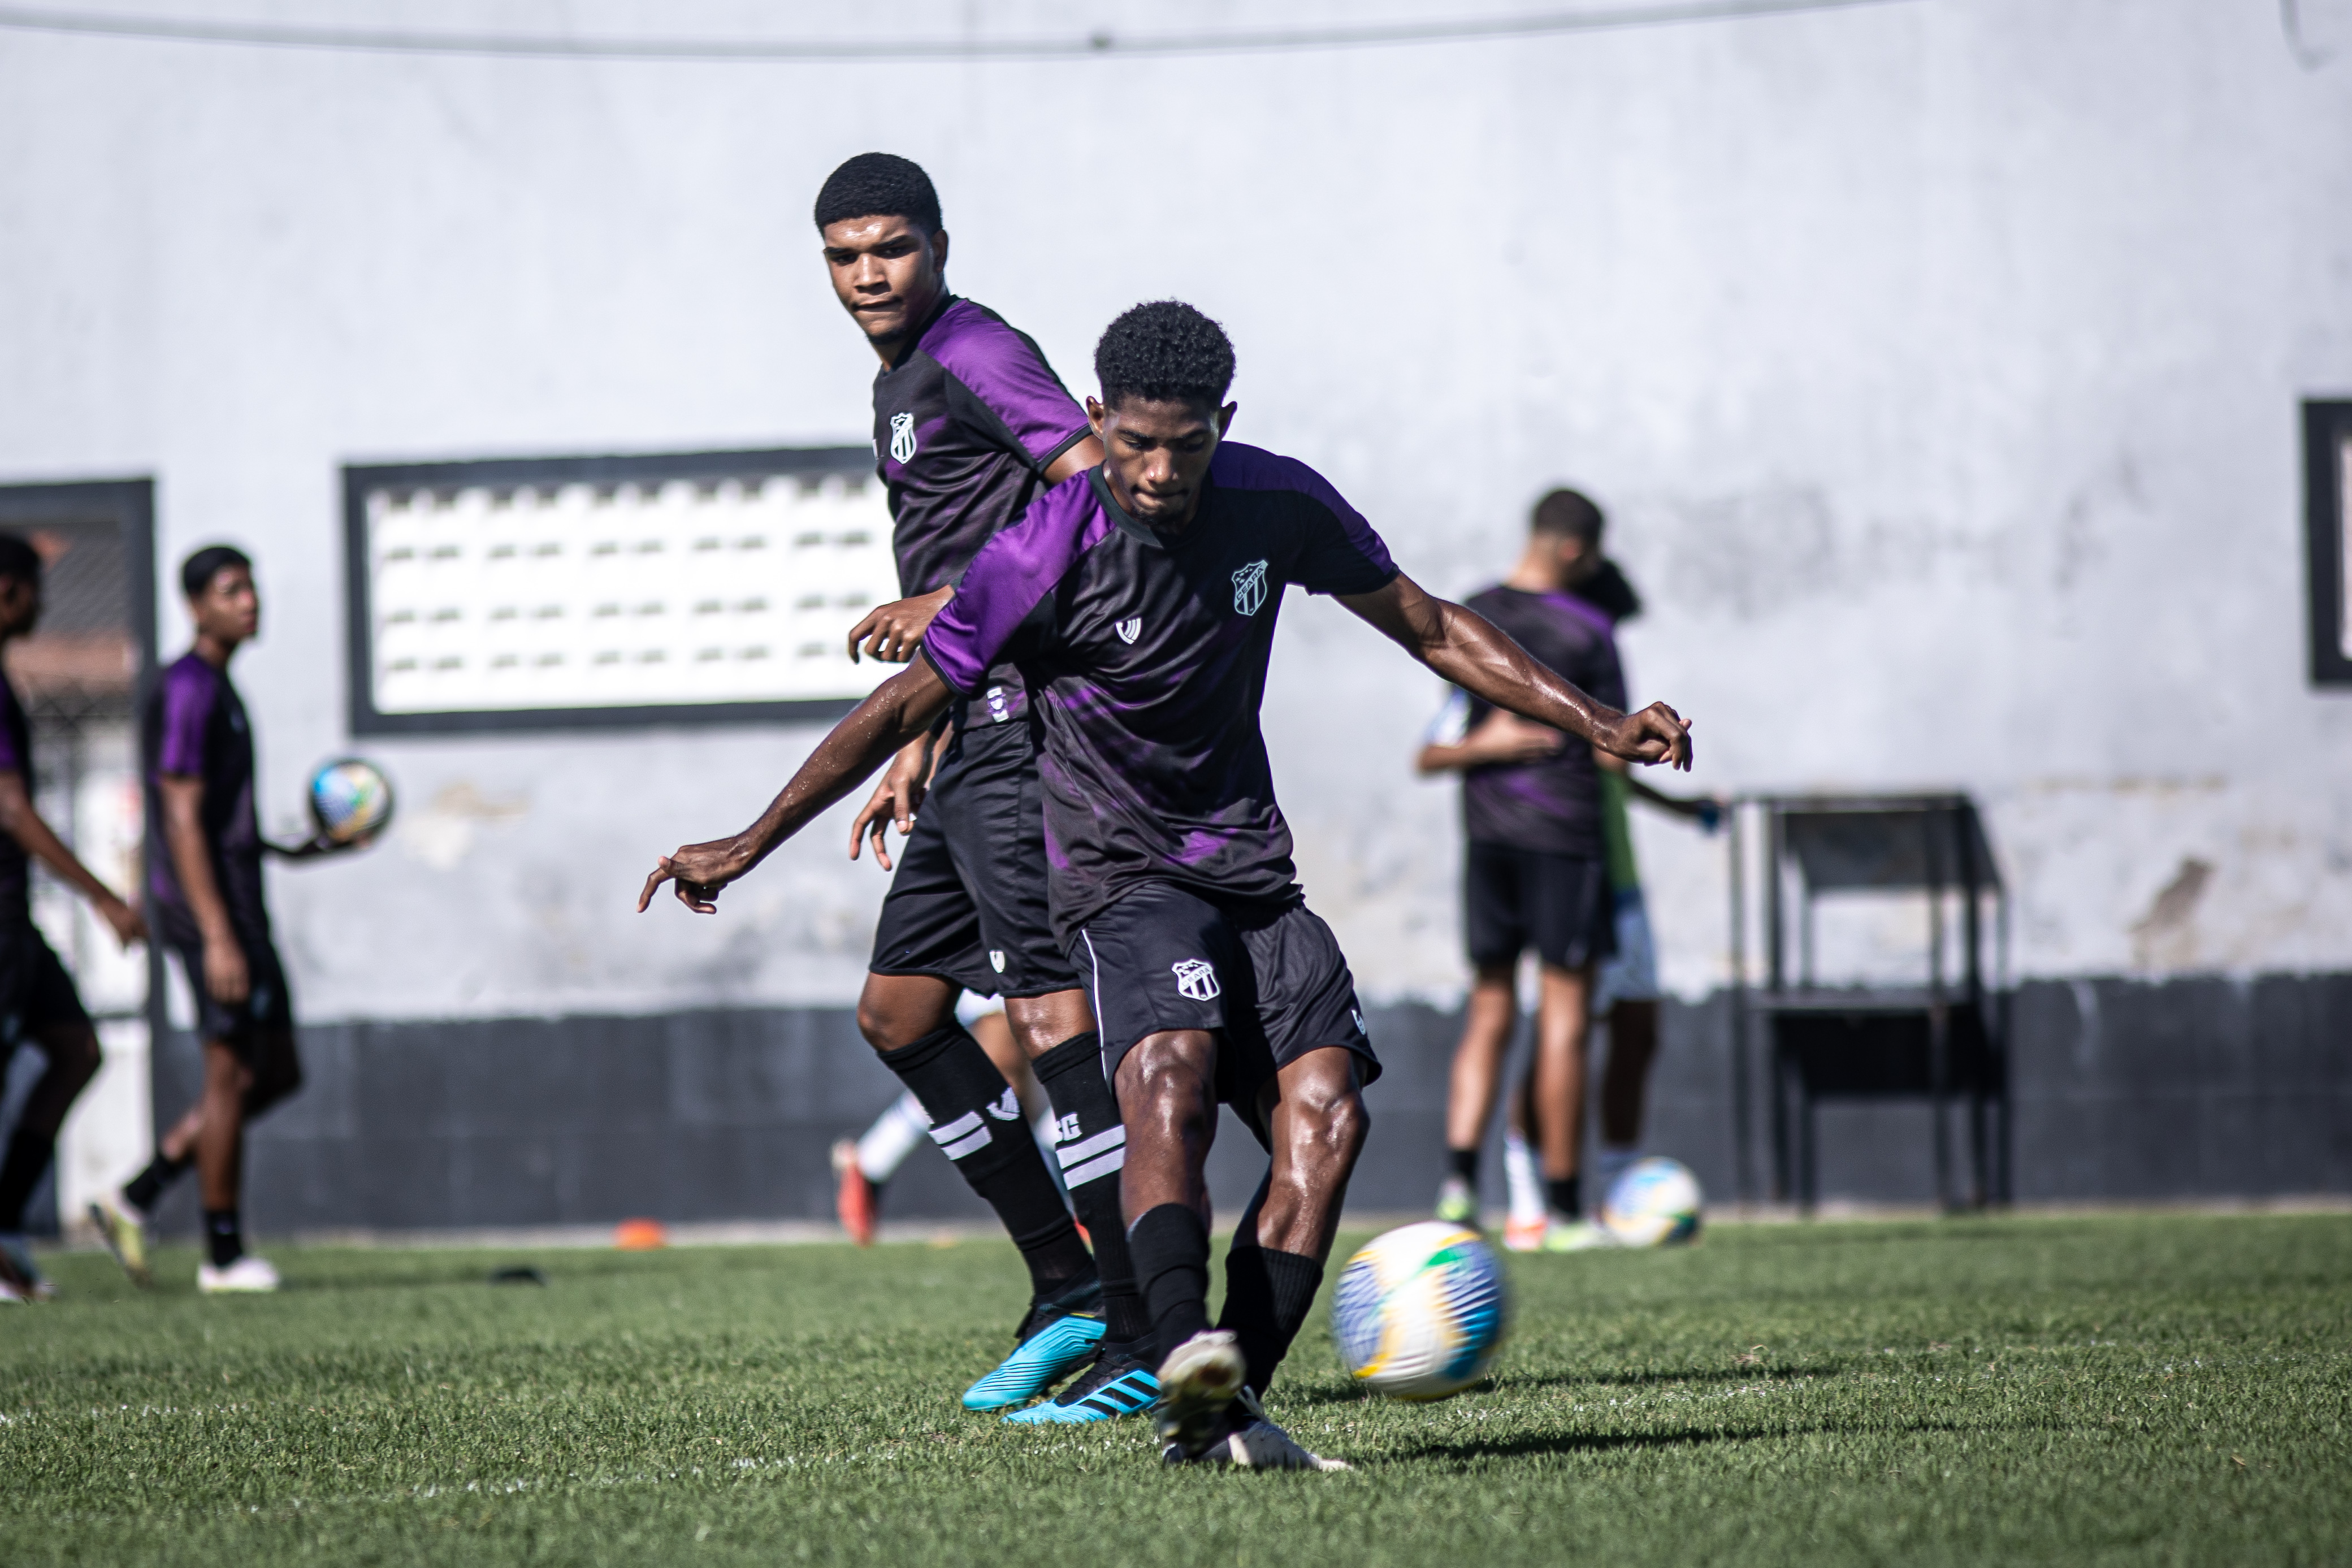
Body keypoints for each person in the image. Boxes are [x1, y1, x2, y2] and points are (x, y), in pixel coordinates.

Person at [639, 301, 1692, 1469]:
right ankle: (1177, 1339)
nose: (1155, 470)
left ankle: (1219, 1403)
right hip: (1121, 874)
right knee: (1170, 1071)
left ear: (1220, 426)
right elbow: (904, 702)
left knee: (1329, 1114)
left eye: (1183, 444)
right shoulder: (1047, 542)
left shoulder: (1276, 502)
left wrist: (1596, 722)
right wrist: (747, 840)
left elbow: (1433, 625)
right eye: (1134, 441)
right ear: (1098, 421)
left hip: (1254, 872)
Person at [807, 153, 1152, 1422]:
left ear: (937, 245)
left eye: (887, 248)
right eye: (843, 256)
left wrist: (952, 609)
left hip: (1025, 740)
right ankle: (1062, 1283)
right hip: (961, 740)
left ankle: (1138, 1321)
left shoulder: (974, 348)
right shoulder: (897, 377)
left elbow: (1096, 493)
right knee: (899, 1015)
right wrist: (916, 740)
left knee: (1057, 1032)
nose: (866, 276)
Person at [89, 546, 344, 1294]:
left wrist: (292, 847)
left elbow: (223, 821)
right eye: (231, 590)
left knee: (277, 1071)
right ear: (196, 605)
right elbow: (179, 813)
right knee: (229, 1072)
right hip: (211, 916)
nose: (250, 600)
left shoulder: (224, 688)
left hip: (238, 902)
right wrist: (219, 931)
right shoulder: (190, 687)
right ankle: (224, 1256)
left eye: (252, 586)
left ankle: (136, 1194)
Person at [1418, 490, 1626, 1250]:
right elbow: (1612, 748)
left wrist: (1487, 747)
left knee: (1489, 1008)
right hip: (1565, 840)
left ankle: (1458, 1189)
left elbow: (1432, 748)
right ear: (1576, 550)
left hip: (1489, 842)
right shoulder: (1590, 628)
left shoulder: (1469, 614)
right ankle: (1566, 1210)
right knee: (1565, 1018)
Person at [0, 534, 150, 1302]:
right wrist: (104, 894)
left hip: (14, 919)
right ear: (4, 591)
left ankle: (5, 1226)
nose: (43, 604)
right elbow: (12, 807)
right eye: (32, 588)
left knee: (75, 1047)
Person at [829, 991, 1063, 1245]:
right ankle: (1063, 1202)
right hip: (999, 962)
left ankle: (873, 1158)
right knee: (1000, 1081)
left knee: (1032, 1083)